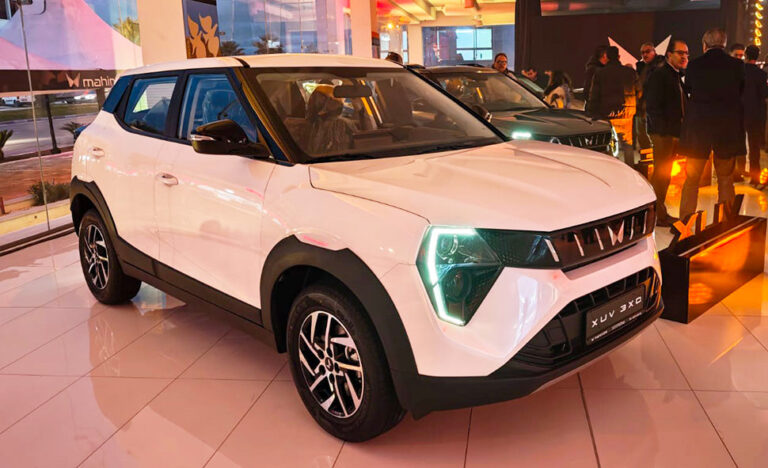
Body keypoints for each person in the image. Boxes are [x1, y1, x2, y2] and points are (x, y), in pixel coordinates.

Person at [679, 28, 746, 222]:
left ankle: (685, 224)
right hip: (727, 129)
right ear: (724, 44)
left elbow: (689, 88)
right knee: (725, 179)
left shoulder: (694, 65)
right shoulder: (737, 65)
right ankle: (726, 223)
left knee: (692, 180)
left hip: (699, 128)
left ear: (704, 45)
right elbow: (740, 91)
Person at [645, 39, 689, 227]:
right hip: (663, 133)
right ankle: (656, 215)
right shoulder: (661, 74)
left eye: (686, 53)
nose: (684, 57)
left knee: (666, 174)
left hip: (672, 132)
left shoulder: (676, 75)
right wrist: (663, 131)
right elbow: (652, 106)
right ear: (669, 54)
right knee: (661, 175)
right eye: (680, 53)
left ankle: (659, 212)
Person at [586, 46, 640, 165]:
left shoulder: (600, 73)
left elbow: (594, 95)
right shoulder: (630, 72)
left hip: (607, 114)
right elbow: (639, 92)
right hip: (626, 115)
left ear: (607, 57)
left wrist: (591, 113)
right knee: (627, 145)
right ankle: (630, 169)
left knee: (609, 145)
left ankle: (612, 169)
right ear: (619, 57)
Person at [741, 44, 768, 186]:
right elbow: (764, 95)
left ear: (745, 55)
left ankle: (736, 173)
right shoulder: (761, 74)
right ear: (757, 56)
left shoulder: (739, 71)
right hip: (756, 115)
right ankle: (754, 177)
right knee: (754, 148)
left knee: (737, 144)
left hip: (739, 113)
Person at [636, 42, 659, 155]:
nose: (645, 54)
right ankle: (647, 160)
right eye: (642, 52)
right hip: (641, 109)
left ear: (654, 52)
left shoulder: (661, 66)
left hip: (654, 110)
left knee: (654, 138)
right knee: (642, 136)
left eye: (647, 51)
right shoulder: (641, 68)